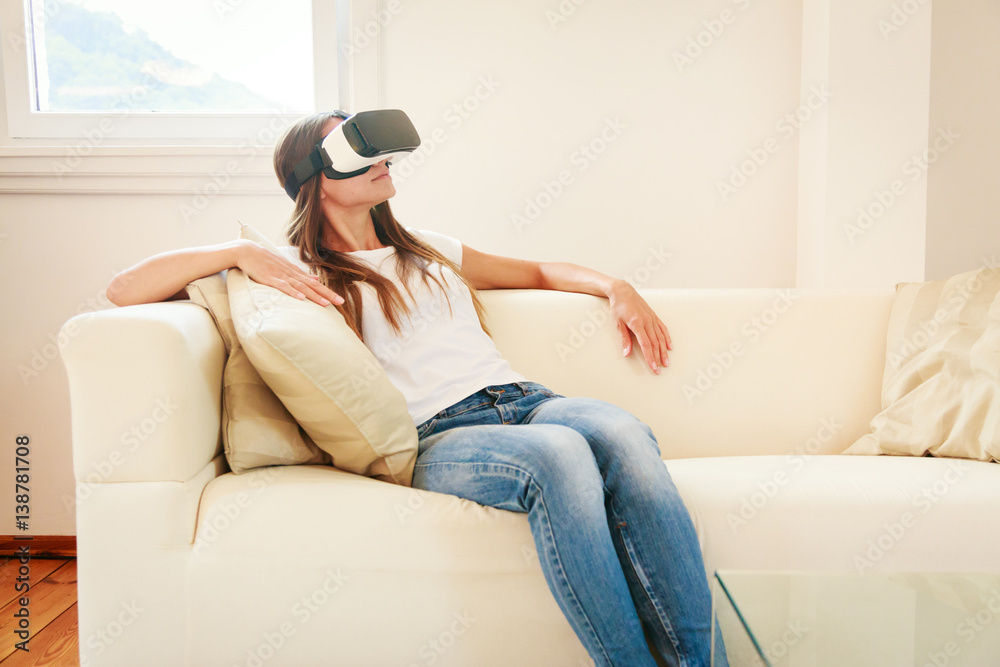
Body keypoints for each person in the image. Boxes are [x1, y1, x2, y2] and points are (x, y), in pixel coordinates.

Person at [107, 111, 725, 667]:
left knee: (623, 432)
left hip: (527, 400)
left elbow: (538, 271)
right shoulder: (291, 268)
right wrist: (239, 250)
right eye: (358, 151)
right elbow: (123, 289)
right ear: (318, 178)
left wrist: (617, 287)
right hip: (440, 433)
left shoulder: (428, 249)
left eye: (381, 149)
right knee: (561, 456)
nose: (383, 160)